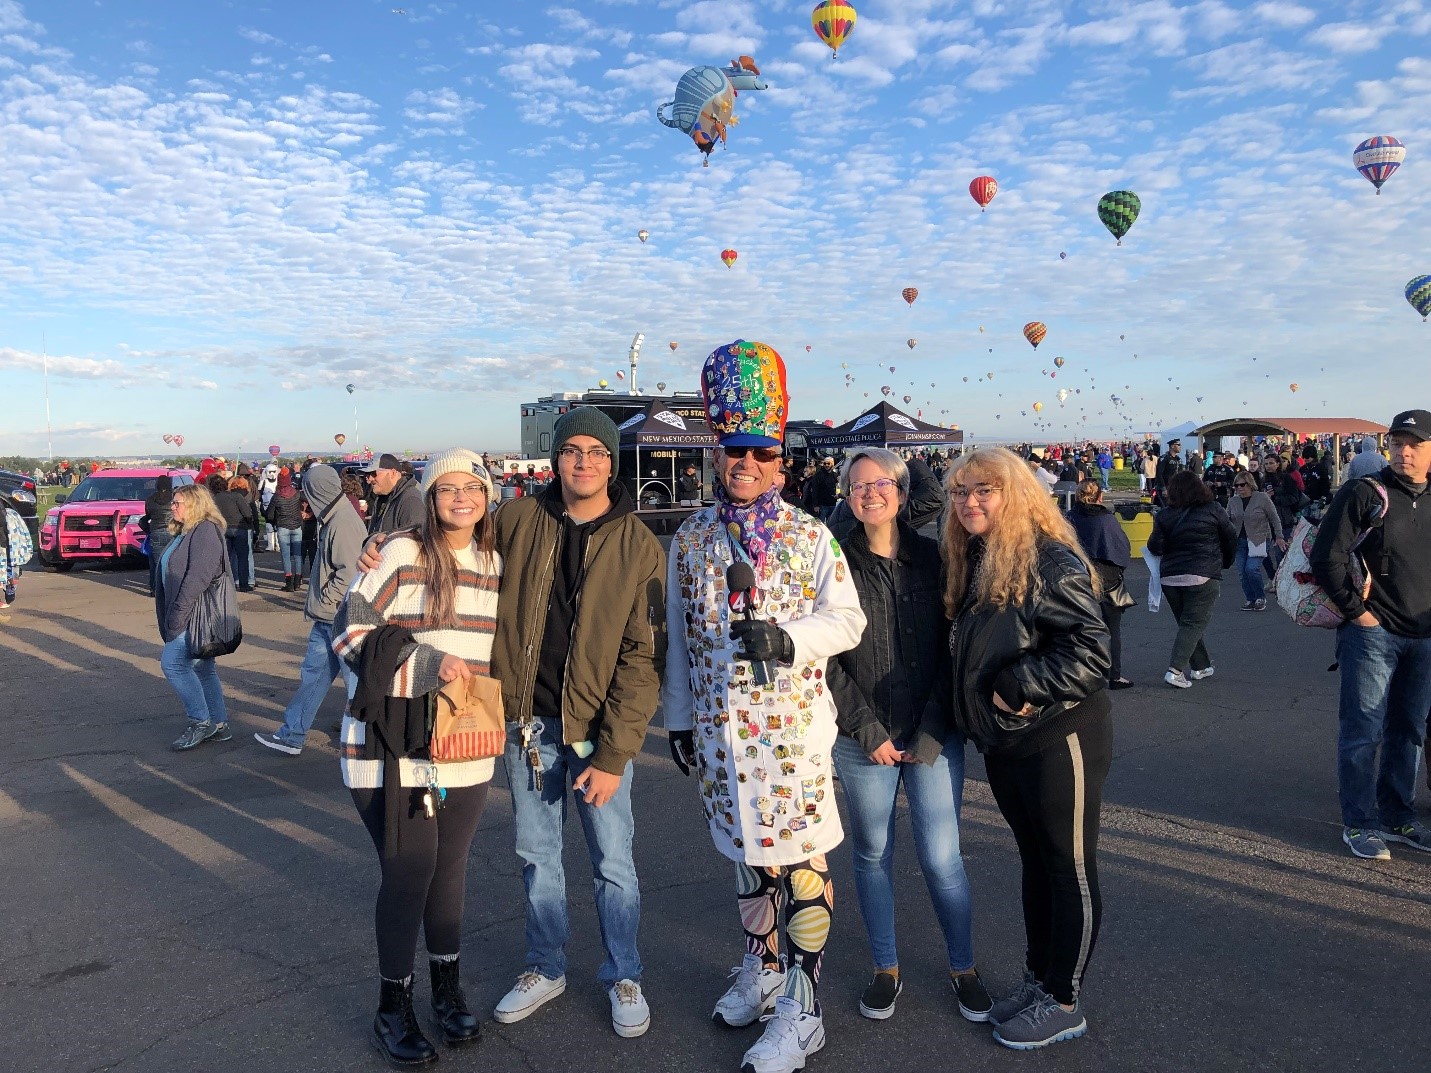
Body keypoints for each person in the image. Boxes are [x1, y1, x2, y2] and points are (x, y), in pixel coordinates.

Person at [664, 340, 865, 1073]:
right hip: (721, 739)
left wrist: (784, 638)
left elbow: (847, 620)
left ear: (781, 462)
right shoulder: (688, 540)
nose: (744, 464)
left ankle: (802, 1009)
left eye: (759, 453)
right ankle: (764, 965)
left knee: (801, 866)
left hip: (789, 737)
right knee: (749, 862)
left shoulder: (811, 536)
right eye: (733, 452)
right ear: (717, 455)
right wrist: (678, 717)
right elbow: (681, 641)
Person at [935, 448, 1111, 1051]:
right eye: (960, 493)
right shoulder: (976, 557)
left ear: (1015, 494)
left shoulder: (1047, 558)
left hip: (1060, 734)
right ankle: (1042, 980)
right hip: (1006, 741)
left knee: (1069, 867)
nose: (969, 504)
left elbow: (1091, 651)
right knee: (1036, 862)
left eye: (984, 491)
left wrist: (1018, 686)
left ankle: (1065, 1000)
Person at [332, 450, 501, 1065]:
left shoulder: (493, 559)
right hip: (394, 744)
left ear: (488, 494)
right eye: (448, 488)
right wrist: (428, 664)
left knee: (448, 872)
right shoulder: (401, 553)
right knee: (410, 874)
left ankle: (446, 991)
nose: (462, 498)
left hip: (464, 744)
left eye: (473, 487)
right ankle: (391, 1007)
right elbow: (348, 630)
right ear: (428, 497)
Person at [824, 447, 990, 1024]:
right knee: (872, 854)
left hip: (931, 736)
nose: (869, 493)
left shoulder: (936, 558)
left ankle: (963, 966)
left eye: (881, 484)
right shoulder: (833, 564)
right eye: (857, 486)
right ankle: (885, 967)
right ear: (846, 496)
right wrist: (865, 729)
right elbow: (826, 661)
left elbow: (956, 653)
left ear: (900, 491)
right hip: (861, 736)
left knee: (942, 858)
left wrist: (933, 730)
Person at [1310, 409, 1431, 860]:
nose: (1404, 451)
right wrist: (1358, 614)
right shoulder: (1365, 492)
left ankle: (1399, 817)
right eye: (1398, 442)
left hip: (1425, 636)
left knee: (1410, 732)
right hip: (1373, 634)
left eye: (1415, 444)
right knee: (1363, 731)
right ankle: (1360, 823)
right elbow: (1327, 557)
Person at [254, 465, 367, 756]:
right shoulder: (334, 516)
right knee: (315, 677)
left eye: (308, 489)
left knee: (355, 683)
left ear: (318, 491)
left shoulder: (341, 521)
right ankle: (293, 735)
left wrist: (328, 601)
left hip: (338, 617)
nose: (305, 495)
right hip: (330, 617)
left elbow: (350, 571)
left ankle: (369, 741)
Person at [156, 484, 233, 751]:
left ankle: (201, 721)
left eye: (178, 502)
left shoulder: (205, 532)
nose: (172, 507)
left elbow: (196, 579)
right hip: (189, 612)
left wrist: (177, 616)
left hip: (194, 615)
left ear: (195, 504)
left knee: (174, 664)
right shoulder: (186, 531)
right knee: (202, 668)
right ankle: (219, 724)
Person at [1146, 472, 1236, 689]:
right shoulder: (1214, 510)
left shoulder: (1164, 515)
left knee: (1188, 623)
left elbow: (1154, 547)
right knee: (1193, 624)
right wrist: (1225, 562)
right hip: (1203, 574)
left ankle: (1202, 666)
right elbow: (1230, 537)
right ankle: (1175, 670)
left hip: (1171, 577)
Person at [1066, 480, 1134, 689]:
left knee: (1077, 629)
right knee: (1112, 630)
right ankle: (1114, 675)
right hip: (1106, 579)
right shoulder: (1106, 520)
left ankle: (1078, 675)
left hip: (1076, 578)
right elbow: (1122, 549)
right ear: (1100, 497)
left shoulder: (1068, 518)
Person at [1227, 473, 1284, 612]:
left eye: (1242, 485)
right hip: (1240, 541)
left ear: (1250, 484)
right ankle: (1250, 599)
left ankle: (1260, 598)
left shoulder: (1262, 498)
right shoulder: (1233, 501)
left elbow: (1274, 518)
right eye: (1236, 485)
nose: (1239, 488)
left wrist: (1279, 536)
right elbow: (1226, 520)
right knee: (1242, 571)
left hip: (1259, 538)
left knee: (1251, 569)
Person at [212, 474, 259, 592]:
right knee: (242, 557)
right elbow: (247, 513)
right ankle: (244, 584)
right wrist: (249, 523)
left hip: (223, 528)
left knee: (227, 558)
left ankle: (230, 582)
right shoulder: (236, 496)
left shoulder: (213, 500)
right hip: (239, 528)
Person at [264, 468, 306, 592]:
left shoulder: (277, 497)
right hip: (297, 526)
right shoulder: (297, 493)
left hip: (282, 526)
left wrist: (274, 520)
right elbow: (308, 499)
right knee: (298, 555)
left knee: (286, 555)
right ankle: (298, 581)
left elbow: (269, 515)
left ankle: (288, 583)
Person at [365, 453, 425, 535]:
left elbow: (415, 542)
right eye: (367, 475)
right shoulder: (383, 498)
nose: (369, 479)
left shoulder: (411, 501)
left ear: (393, 473)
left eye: (374, 473)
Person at [140, 475, 175, 598]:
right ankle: (171, 587)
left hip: (156, 531)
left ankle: (155, 589)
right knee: (173, 561)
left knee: (155, 563)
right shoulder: (174, 498)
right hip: (173, 531)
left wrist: (148, 530)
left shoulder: (150, 499)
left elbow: (147, 516)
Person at [803, 455, 839, 520]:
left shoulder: (835, 475)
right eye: (825, 463)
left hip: (832, 504)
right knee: (820, 524)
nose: (826, 465)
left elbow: (838, 486)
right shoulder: (818, 475)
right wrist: (815, 505)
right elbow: (814, 490)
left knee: (831, 524)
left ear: (832, 464)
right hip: (822, 505)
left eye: (828, 463)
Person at [1154, 438, 1182, 505]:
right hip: (1165, 488)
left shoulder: (1177, 459)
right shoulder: (1164, 458)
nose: (1180, 447)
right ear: (1172, 446)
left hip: (1174, 488)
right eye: (1178, 445)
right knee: (1165, 508)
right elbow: (1159, 474)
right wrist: (1163, 488)